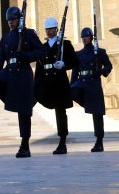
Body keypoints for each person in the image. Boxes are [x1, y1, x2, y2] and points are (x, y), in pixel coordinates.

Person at [0, 6, 46, 158]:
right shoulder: (6, 38)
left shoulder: (28, 34)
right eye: (8, 20)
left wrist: (26, 56)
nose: (10, 22)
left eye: (13, 19)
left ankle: (25, 145)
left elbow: (42, 52)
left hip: (24, 74)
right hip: (9, 71)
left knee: (24, 112)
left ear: (19, 19)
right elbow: (0, 60)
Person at [33, 16, 79, 155]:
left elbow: (75, 61)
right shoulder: (44, 47)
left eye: (51, 29)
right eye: (47, 29)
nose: (49, 31)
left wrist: (64, 64)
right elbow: (40, 66)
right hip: (46, 83)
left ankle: (62, 142)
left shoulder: (65, 45)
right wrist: (36, 84)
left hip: (59, 83)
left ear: (56, 29)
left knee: (60, 112)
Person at [70, 27, 113, 152]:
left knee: (97, 114)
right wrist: (71, 85)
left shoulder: (99, 52)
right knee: (71, 93)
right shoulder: (78, 54)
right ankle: (87, 104)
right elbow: (75, 70)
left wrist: (102, 71)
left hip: (93, 83)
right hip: (81, 82)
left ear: (91, 37)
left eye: (86, 36)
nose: (84, 39)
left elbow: (109, 65)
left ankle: (99, 142)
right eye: (82, 37)